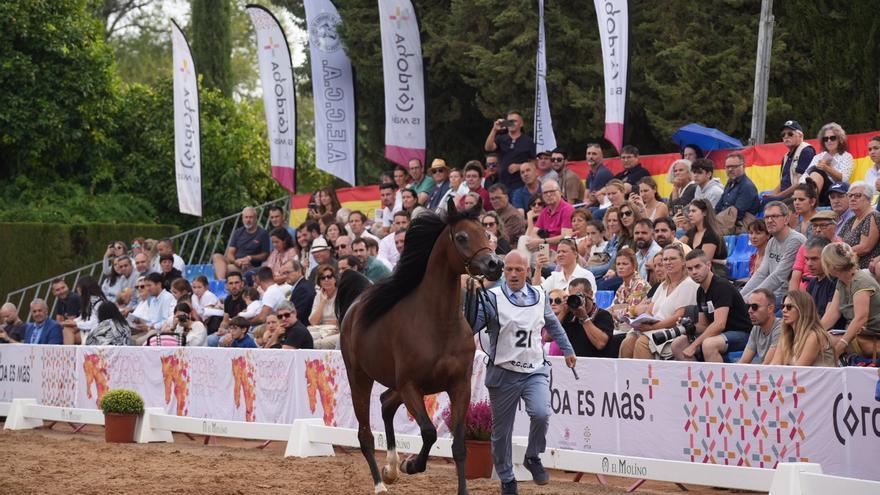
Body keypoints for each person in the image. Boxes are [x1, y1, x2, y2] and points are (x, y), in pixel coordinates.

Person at [473, 251, 576, 495]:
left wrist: (568, 349)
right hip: (503, 372)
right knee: (501, 432)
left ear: (527, 271)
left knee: (541, 413)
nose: (513, 274)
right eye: (508, 270)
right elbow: (472, 325)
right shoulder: (491, 297)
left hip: (534, 369)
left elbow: (552, 324)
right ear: (503, 271)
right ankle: (507, 478)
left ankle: (532, 456)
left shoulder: (540, 295)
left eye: (518, 269)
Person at [619, 244, 699, 360]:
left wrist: (652, 328)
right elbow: (649, 311)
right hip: (654, 327)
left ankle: (645, 377)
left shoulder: (689, 284)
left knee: (642, 343)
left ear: (683, 262)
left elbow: (678, 316)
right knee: (628, 341)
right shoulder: (663, 285)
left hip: (672, 330)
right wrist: (641, 322)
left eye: (672, 259)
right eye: (665, 259)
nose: (668, 262)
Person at [671, 249, 751, 362]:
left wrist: (693, 346)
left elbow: (719, 324)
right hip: (721, 335)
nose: (694, 272)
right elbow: (704, 325)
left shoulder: (721, 286)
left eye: (697, 266)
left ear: (708, 265)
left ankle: (717, 380)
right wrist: (688, 325)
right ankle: (697, 378)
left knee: (709, 344)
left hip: (742, 334)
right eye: (690, 269)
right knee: (678, 344)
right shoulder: (700, 291)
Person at [819, 242, 880, 360]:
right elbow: (833, 314)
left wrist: (841, 344)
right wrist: (813, 332)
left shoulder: (861, 281)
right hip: (860, 336)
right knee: (813, 338)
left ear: (832, 266)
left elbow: (860, 319)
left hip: (873, 338)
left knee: (822, 342)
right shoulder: (842, 281)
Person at [740, 201, 805, 302]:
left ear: (786, 219)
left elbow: (778, 277)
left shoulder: (795, 240)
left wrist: (748, 299)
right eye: (767, 217)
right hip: (771, 295)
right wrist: (739, 297)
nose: (769, 220)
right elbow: (761, 274)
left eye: (775, 216)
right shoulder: (771, 242)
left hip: (786, 298)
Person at [771, 290, 836, 367]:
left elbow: (799, 371)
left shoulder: (814, 336)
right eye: (782, 306)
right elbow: (774, 366)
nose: (784, 310)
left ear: (802, 309)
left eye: (789, 307)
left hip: (820, 378)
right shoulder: (785, 335)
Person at [763, 120, 816, 201]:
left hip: (798, 197)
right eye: (783, 134)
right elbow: (783, 182)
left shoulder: (806, 151)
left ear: (800, 136)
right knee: (761, 199)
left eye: (790, 134)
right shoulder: (786, 156)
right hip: (787, 196)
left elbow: (801, 183)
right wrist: (772, 194)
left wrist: (778, 196)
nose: (786, 136)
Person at [212, 207, 271, 280]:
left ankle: (221, 284)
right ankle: (222, 282)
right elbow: (230, 253)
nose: (248, 220)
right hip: (236, 262)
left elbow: (265, 254)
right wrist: (235, 261)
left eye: (251, 217)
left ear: (256, 218)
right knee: (216, 256)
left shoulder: (263, 233)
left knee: (223, 269)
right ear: (242, 219)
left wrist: (250, 258)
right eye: (246, 217)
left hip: (249, 265)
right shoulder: (238, 232)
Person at [560, 278, 613, 357]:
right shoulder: (569, 314)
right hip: (573, 363)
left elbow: (600, 344)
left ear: (590, 294)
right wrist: (563, 312)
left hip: (595, 364)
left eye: (580, 295)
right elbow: (548, 338)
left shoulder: (603, 315)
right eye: (573, 296)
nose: (576, 299)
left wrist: (584, 318)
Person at [484, 111, 536, 192]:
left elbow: (535, 163)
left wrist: (519, 166)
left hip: (520, 185)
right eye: (509, 121)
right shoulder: (501, 138)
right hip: (503, 184)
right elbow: (488, 148)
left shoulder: (528, 141)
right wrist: (494, 130)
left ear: (521, 124)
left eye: (514, 121)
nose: (511, 124)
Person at [789, 211, 841, 290]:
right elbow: (796, 276)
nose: (818, 229)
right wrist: (792, 297)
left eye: (823, 226)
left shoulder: (839, 248)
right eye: (815, 226)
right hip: (802, 293)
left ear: (835, 227)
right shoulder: (806, 246)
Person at [681, 199, 728, 277]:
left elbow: (703, 261)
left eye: (694, 211)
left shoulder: (711, 234)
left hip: (713, 274)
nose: (690, 214)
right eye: (689, 211)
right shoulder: (691, 232)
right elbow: (677, 246)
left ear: (704, 212)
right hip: (694, 271)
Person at [715, 153, 761, 234]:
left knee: (708, 234)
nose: (730, 169)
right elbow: (718, 207)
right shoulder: (729, 183)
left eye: (734, 167)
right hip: (726, 223)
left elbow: (738, 214)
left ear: (743, 167)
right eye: (728, 167)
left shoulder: (747, 186)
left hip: (740, 226)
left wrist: (716, 222)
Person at [839, 181, 880, 269]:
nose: (852, 198)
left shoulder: (873, 216)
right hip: (847, 264)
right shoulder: (851, 220)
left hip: (864, 268)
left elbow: (865, 248)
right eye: (850, 195)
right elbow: (839, 241)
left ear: (869, 199)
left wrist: (839, 253)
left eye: (857, 195)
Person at [608, 248, 650, 329]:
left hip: (635, 328)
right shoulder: (621, 288)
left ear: (634, 266)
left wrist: (614, 313)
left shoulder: (640, 284)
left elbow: (631, 312)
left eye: (624, 264)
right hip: (621, 327)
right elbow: (612, 309)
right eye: (618, 264)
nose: (620, 267)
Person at [737, 289, 781, 364]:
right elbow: (743, 361)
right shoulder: (756, 328)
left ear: (770, 308)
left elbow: (767, 365)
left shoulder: (780, 328)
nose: (749, 311)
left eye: (754, 306)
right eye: (748, 306)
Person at [60, 276, 107, 345]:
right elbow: (84, 317)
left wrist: (75, 323)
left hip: (100, 331)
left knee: (68, 331)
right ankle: (69, 352)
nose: (77, 289)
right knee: (67, 328)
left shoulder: (97, 302)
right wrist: (72, 321)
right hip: (91, 328)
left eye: (78, 287)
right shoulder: (88, 300)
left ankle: (69, 353)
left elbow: (94, 323)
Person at [309, 264, 339, 328]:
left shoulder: (341, 294)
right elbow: (313, 322)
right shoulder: (318, 296)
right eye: (323, 278)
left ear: (335, 279)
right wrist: (323, 301)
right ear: (319, 282)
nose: (326, 280)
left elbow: (341, 321)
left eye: (329, 277)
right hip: (321, 329)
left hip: (337, 330)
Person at [584, 143, 613, 207]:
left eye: (594, 154)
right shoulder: (590, 174)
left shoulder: (602, 173)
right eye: (588, 153)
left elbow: (592, 199)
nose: (591, 157)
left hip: (604, 208)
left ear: (601, 157)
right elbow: (586, 198)